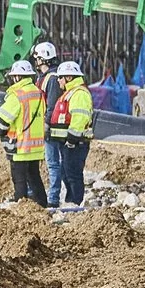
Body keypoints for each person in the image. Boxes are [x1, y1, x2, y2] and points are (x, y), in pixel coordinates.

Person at [0, 57, 49, 206]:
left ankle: (21, 208)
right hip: (36, 147)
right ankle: (42, 206)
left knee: (19, 180)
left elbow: (3, 120)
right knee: (34, 178)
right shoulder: (38, 94)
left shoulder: (17, 95)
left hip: (20, 147)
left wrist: (1, 131)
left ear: (17, 77)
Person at [48, 58, 94, 210]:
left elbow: (79, 117)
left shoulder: (79, 94)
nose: (59, 80)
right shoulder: (70, 93)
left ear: (69, 77)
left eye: (60, 77)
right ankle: (71, 201)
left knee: (73, 174)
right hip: (68, 142)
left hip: (75, 143)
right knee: (66, 173)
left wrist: (72, 139)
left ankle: (75, 203)